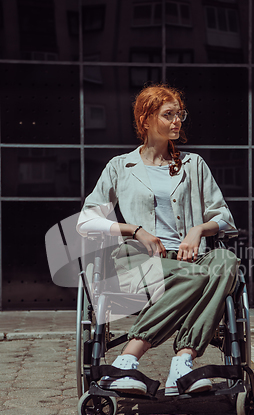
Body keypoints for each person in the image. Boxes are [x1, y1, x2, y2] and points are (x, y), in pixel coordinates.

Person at [77, 83, 239, 396]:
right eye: (169, 115)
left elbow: (224, 217)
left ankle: (182, 361)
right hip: (140, 260)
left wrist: (199, 230)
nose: (177, 121)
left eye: (180, 114)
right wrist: (134, 230)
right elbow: (87, 220)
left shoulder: (193, 165)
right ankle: (128, 360)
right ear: (146, 120)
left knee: (226, 261)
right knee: (200, 277)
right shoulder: (120, 167)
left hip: (188, 258)